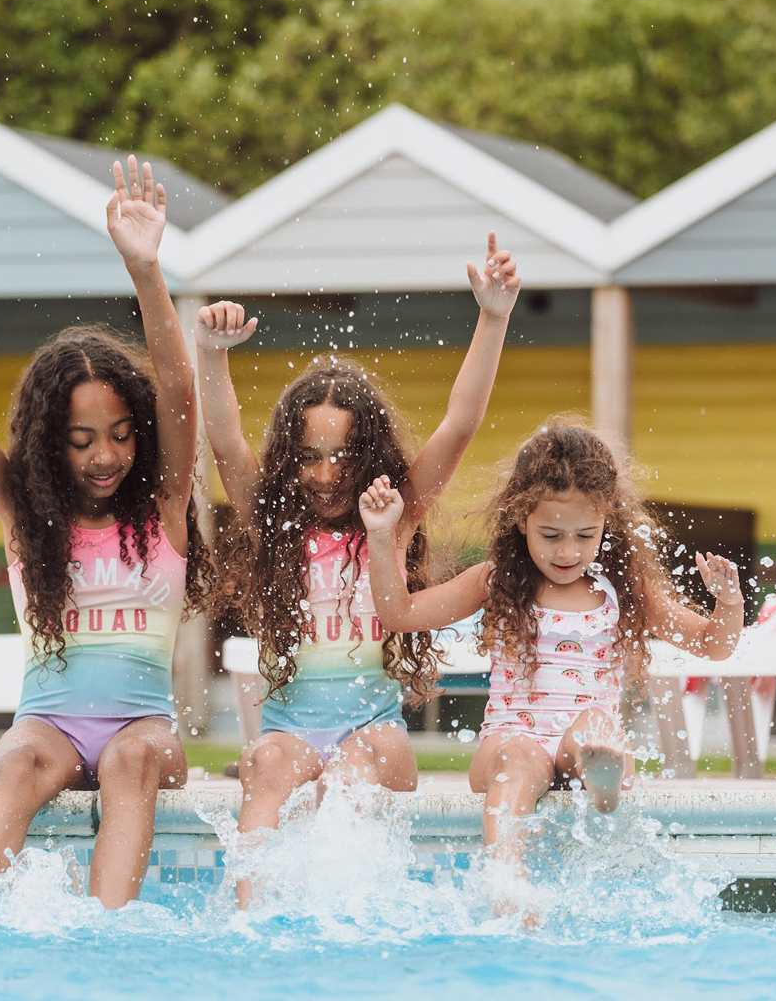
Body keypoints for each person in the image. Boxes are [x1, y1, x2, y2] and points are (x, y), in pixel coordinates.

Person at [0, 158, 211, 908]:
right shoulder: (27, 517)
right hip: (50, 725)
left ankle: (106, 938)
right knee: (12, 762)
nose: (104, 455)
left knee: (132, 761)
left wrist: (146, 271)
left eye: (118, 434)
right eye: (80, 440)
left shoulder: (164, 506)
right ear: (49, 443)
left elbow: (176, 389)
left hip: (144, 728)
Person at [195, 235, 521, 904]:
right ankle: (249, 921)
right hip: (289, 733)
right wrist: (213, 357)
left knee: (351, 775)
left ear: (369, 455)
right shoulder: (275, 522)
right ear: (289, 459)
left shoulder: (393, 519)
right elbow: (226, 440)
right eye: (310, 457)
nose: (324, 475)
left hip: (375, 734)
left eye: (342, 457)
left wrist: (492, 317)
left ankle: (353, 920)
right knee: (262, 764)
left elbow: (460, 425)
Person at [359, 421, 744, 912]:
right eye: (551, 535)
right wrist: (379, 534)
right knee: (520, 756)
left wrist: (728, 604)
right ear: (521, 520)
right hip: (509, 738)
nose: (568, 552)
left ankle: (601, 774)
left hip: (580, 737)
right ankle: (509, 886)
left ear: (608, 520)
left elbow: (711, 645)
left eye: (585, 535)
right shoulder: (493, 580)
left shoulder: (621, 587)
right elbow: (400, 613)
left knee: (597, 727)